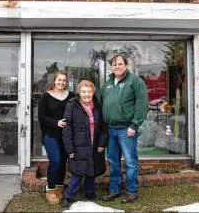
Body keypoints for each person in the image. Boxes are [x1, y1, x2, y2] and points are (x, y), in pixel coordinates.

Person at [96, 54, 149, 204]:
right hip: (110, 129)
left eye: (120, 64)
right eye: (114, 64)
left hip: (126, 130)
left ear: (126, 65)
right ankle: (114, 190)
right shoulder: (108, 84)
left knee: (130, 162)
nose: (117, 66)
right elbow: (96, 100)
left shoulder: (135, 81)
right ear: (111, 67)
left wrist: (134, 125)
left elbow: (142, 104)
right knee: (113, 161)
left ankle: (132, 192)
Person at [60, 80, 108, 208]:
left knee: (91, 169)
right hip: (78, 145)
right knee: (78, 171)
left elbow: (104, 127)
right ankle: (68, 196)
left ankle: (90, 193)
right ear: (79, 93)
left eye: (89, 91)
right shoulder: (72, 105)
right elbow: (67, 128)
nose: (86, 94)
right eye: (83, 91)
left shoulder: (98, 106)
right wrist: (69, 148)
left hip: (94, 143)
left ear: (93, 92)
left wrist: (102, 143)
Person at [38, 70, 75, 204]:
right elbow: (41, 117)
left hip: (65, 136)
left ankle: (60, 188)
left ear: (67, 82)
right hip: (50, 135)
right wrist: (56, 123)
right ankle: (51, 189)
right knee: (55, 161)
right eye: (59, 80)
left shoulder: (71, 96)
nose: (61, 82)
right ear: (54, 81)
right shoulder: (46, 96)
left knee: (63, 163)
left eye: (64, 80)